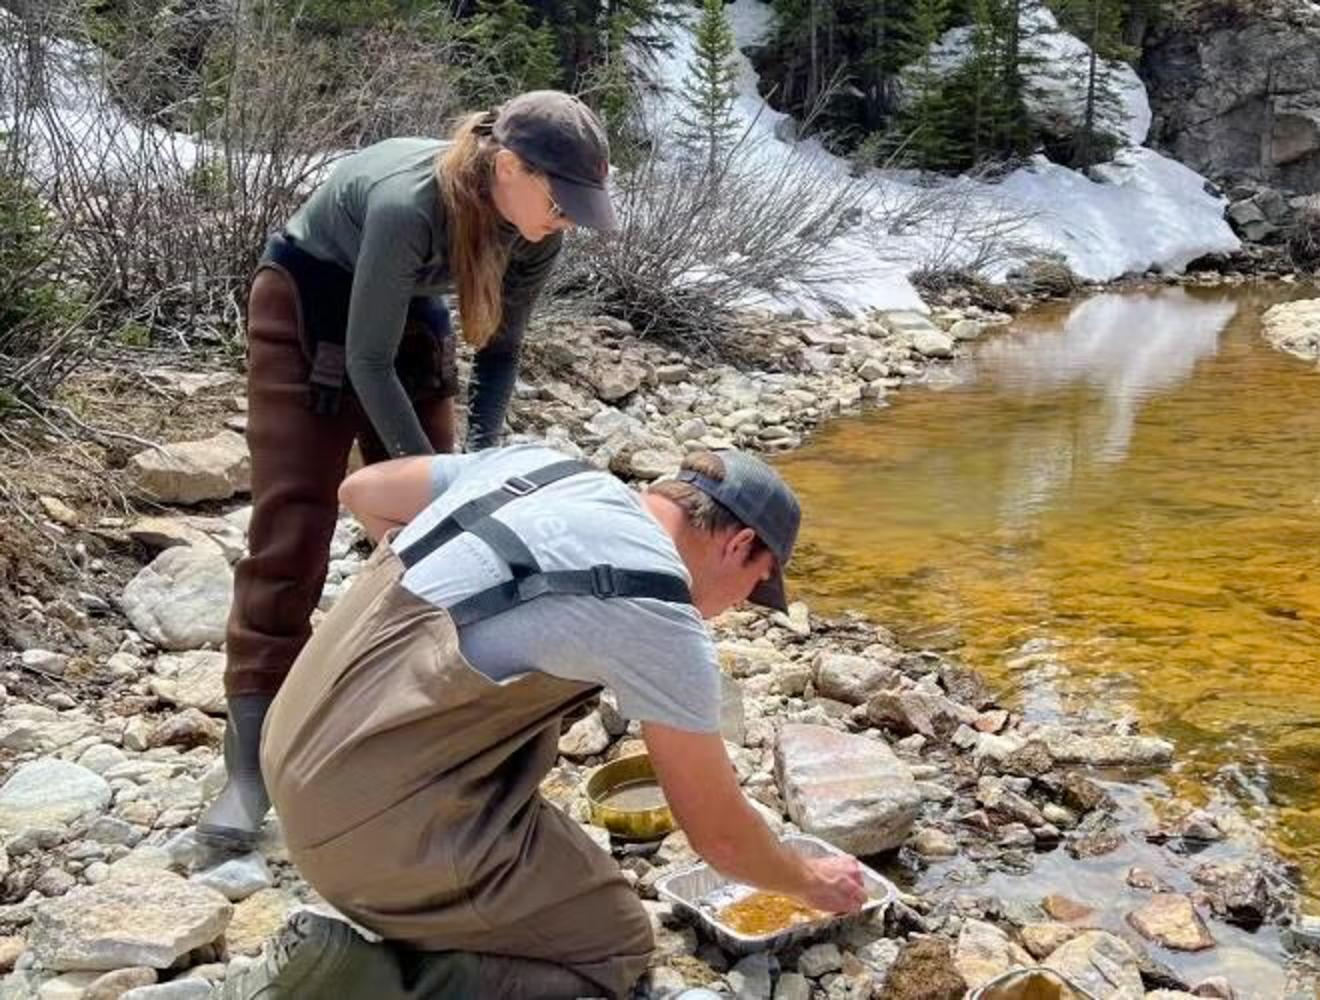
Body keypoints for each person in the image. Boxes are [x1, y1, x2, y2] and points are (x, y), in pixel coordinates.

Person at [219, 446, 867, 999]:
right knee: (614, 942)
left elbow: (363, 492)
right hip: (357, 822)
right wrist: (810, 882)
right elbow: (720, 839)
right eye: (755, 586)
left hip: (289, 739)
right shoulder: (657, 609)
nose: (732, 611)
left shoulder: (545, 466)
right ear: (740, 543)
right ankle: (351, 977)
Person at [200, 90, 619, 852]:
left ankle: (398, 727)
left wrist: (483, 469)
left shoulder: (536, 232)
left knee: (442, 537)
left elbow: (500, 353)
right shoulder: (409, 204)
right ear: (512, 166)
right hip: (307, 300)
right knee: (295, 520)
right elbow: (363, 358)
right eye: (564, 199)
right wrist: (442, 478)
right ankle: (248, 763)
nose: (570, 218)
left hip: (404, 308)